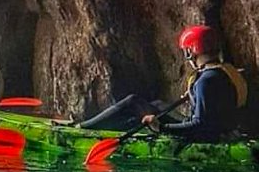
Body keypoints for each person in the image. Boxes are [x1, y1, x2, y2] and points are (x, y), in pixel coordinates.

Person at [79, 24, 247, 139]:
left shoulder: (207, 81)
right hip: (224, 130)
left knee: (133, 102)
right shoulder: (224, 71)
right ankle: (106, 130)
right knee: (157, 104)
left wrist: (161, 128)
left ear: (191, 51)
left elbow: (200, 126)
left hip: (206, 136)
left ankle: (82, 129)